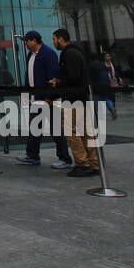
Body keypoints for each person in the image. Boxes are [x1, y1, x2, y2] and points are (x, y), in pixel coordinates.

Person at [15, 31, 71, 168]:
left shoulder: (48, 54)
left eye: (27, 41)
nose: (26, 44)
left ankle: (65, 158)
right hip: (36, 98)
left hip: (48, 99)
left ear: (34, 41)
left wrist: (49, 97)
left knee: (55, 128)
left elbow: (52, 76)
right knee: (34, 127)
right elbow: (29, 75)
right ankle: (32, 155)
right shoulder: (31, 55)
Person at [50, 29, 98, 178]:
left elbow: (73, 77)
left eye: (54, 39)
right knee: (85, 132)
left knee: (72, 132)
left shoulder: (69, 54)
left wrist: (59, 83)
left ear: (61, 39)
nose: (54, 42)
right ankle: (93, 163)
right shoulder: (76, 52)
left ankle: (82, 163)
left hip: (72, 99)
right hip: (81, 98)